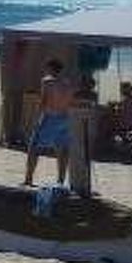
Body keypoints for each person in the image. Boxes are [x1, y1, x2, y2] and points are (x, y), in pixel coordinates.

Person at [23, 58, 76, 186]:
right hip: (65, 118)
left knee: (34, 148)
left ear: (51, 68)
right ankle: (60, 180)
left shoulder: (47, 81)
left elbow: (44, 101)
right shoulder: (67, 83)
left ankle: (28, 179)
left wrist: (36, 119)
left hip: (51, 117)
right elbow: (70, 102)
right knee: (62, 150)